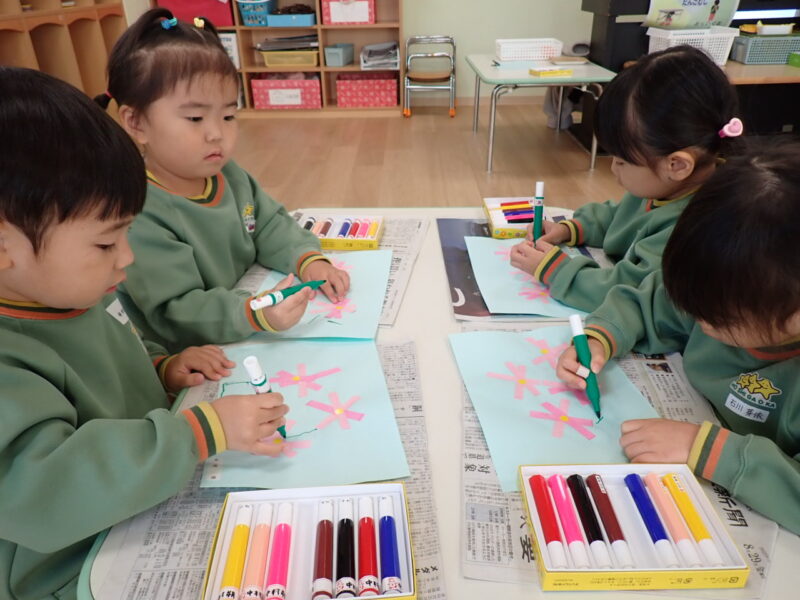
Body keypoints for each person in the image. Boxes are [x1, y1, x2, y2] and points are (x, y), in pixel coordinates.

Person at [0, 67, 288, 600]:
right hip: (71, 567)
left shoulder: (72, 290)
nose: (127, 258)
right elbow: (45, 488)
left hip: (145, 498)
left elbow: (119, 353)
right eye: (106, 243)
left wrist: (163, 367)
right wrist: (198, 433)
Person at [556, 142, 800, 534]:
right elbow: (652, 302)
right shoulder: (726, 290)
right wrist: (601, 338)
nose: (697, 320)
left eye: (718, 318)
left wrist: (705, 449)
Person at [96, 9, 349, 353]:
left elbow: (268, 223)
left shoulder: (226, 174)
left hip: (240, 317)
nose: (217, 133)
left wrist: (307, 259)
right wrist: (256, 312)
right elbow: (177, 309)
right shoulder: (139, 213)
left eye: (229, 115)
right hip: (187, 352)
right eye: (195, 118)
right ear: (136, 123)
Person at [510, 45, 740, 312]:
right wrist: (569, 229)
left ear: (677, 164)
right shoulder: (667, 185)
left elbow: (629, 293)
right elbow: (619, 217)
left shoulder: (692, 229)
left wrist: (554, 270)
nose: (613, 169)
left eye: (622, 161)